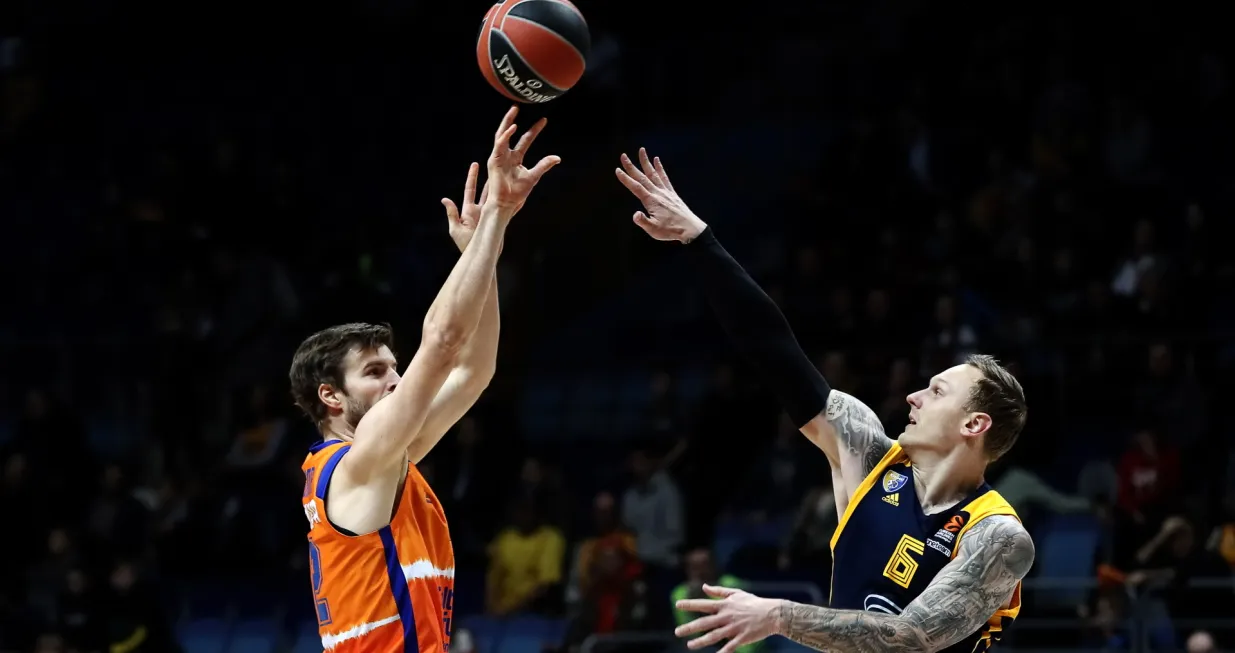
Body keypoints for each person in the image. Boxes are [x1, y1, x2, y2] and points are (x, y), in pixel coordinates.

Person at [615, 149, 1035, 653]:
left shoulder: (999, 536)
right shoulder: (869, 457)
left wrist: (777, 614)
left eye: (937, 390)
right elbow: (776, 352)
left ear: (974, 424)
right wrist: (699, 240)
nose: (913, 395)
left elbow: (912, 635)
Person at [290, 106, 559, 652]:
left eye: (394, 367)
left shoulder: (392, 458)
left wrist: (484, 249)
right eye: (374, 372)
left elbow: (472, 371)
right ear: (330, 397)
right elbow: (441, 345)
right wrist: (494, 220)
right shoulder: (357, 467)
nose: (395, 379)